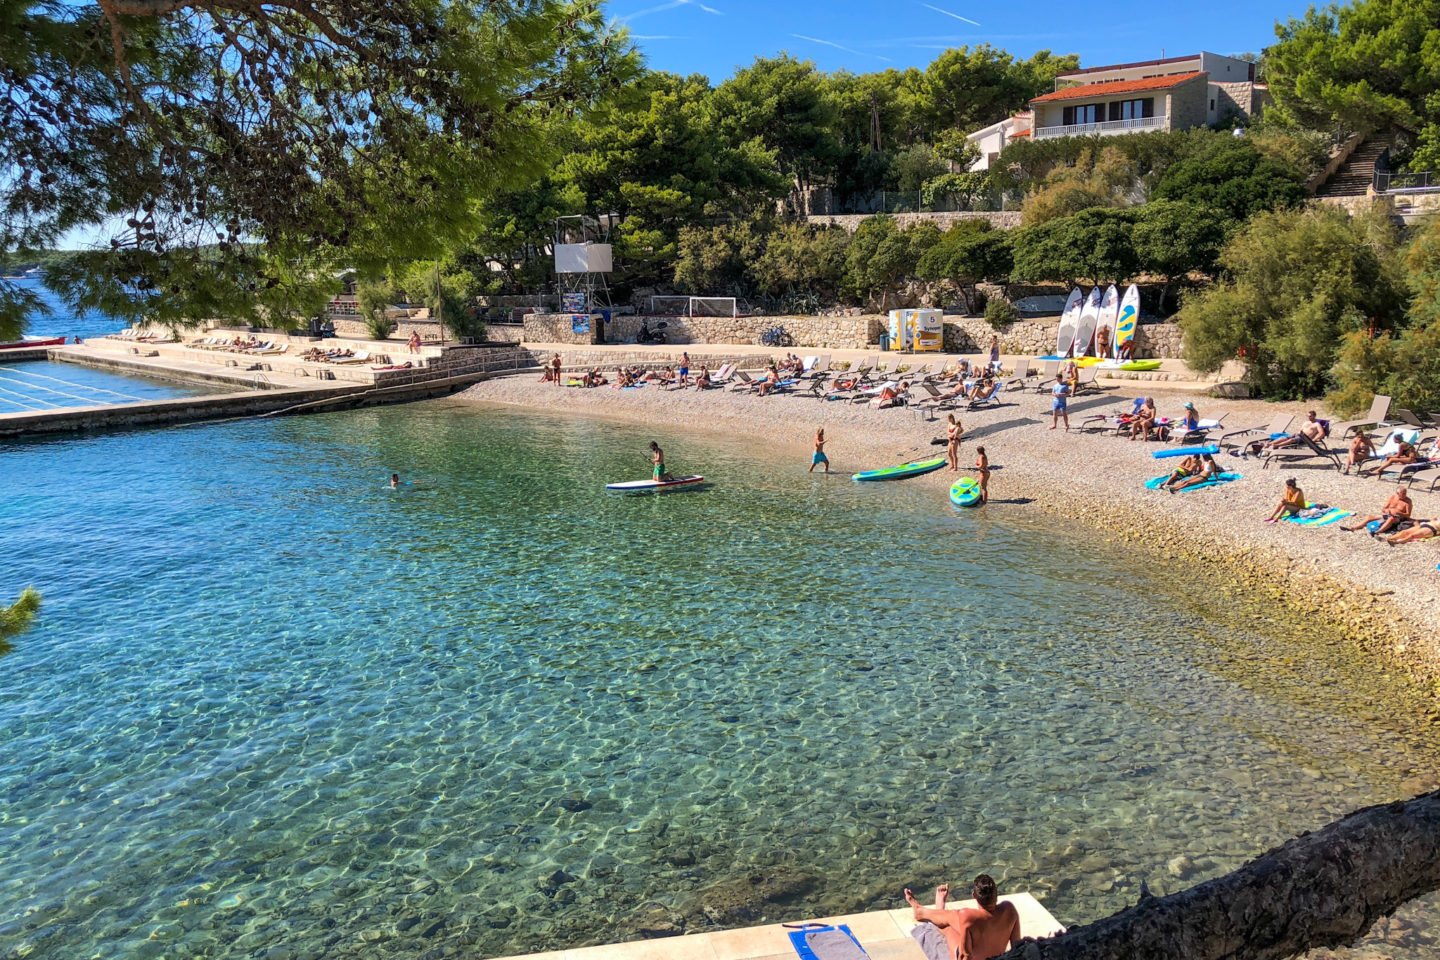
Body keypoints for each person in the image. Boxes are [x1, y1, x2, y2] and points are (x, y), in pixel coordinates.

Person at [904, 877, 1019, 960]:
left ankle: (925, 911)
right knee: (964, 925)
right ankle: (935, 911)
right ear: (996, 894)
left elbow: (965, 956)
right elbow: (1017, 948)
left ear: (973, 895)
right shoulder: (1010, 909)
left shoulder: (968, 917)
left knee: (950, 928)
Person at [1341, 485, 1413, 535]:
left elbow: (1408, 515)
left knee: (1391, 519)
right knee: (1369, 517)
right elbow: (1384, 508)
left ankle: (1377, 532)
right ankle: (1353, 527)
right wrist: (1386, 511)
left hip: (1398, 518)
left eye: (1405, 493)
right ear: (1397, 493)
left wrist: (1400, 513)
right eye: (1403, 494)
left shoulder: (1408, 501)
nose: (1404, 495)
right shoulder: (1393, 497)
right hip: (1388, 514)